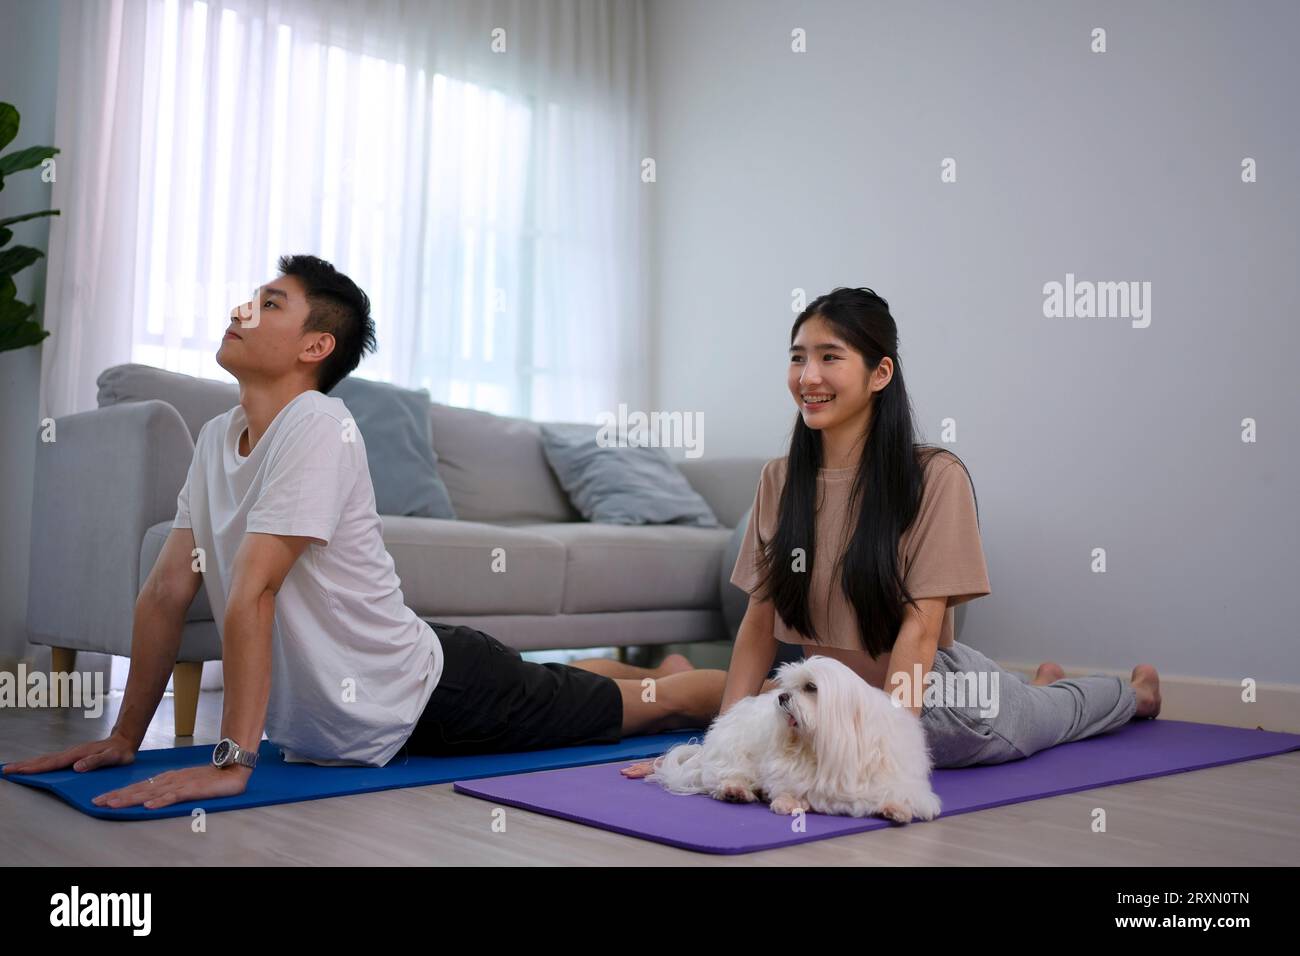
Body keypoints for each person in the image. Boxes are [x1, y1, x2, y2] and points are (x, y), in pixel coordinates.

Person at [3, 255, 727, 808]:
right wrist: (126, 737)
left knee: (658, 711)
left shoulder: (318, 424)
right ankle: (660, 671)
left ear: (315, 346)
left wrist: (230, 763)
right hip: (425, 663)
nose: (242, 309)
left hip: (433, 701)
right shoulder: (219, 436)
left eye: (269, 304)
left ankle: (737, 689)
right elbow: (166, 592)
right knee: (553, 687)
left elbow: (252, 593)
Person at [638, 286, 1162, 775]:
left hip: (940, 704)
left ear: (880, 373)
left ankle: (1134, 695)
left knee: (1057, 715)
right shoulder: (779, 478)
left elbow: (919, 631)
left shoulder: (935, 476)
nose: (808, 376)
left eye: (830, 356)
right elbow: (758, 621)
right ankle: (1035, 689)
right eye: (797, 356)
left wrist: (883, 756)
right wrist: (720, 749)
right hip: (834, 700)